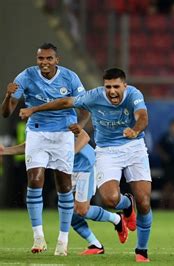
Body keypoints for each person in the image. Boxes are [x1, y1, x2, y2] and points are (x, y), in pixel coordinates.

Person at [19, 68, 153, 263]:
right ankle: (126, 205)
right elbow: (65, 102)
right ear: (103, 86)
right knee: (110, 200)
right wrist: (34, 109)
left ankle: (142, 250)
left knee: (144, 202)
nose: (112, 91)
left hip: (134, 147)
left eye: (116, 86)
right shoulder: (94, 96)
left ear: (125, 85)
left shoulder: (134, 94)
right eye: (108, 87)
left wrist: (134, 130)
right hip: (107, 151)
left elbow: (142, 117)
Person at [1, 43, 89, 255]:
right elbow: (7, 113)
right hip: (37, 132)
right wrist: (7, 96)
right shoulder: (26, 76)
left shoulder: (70, 78)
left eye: (49, 59)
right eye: (41, 59)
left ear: (57, 60)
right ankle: (38, 237)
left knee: (64, 186)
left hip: (63, 134)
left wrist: (80, 127)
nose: (44, 63)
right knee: (34, 180)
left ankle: (63, 239)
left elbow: (85, 107)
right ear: (36, 59)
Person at [0, 128, 128, 255]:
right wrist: (4, 151)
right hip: (66, 170)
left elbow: (84, 137)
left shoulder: (63, 118)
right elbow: (30, 147)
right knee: (68, 212)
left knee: (82, 210)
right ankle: (95, 244)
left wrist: (68, 154)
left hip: (84, 166)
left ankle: (117, 219)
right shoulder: (41, 124)